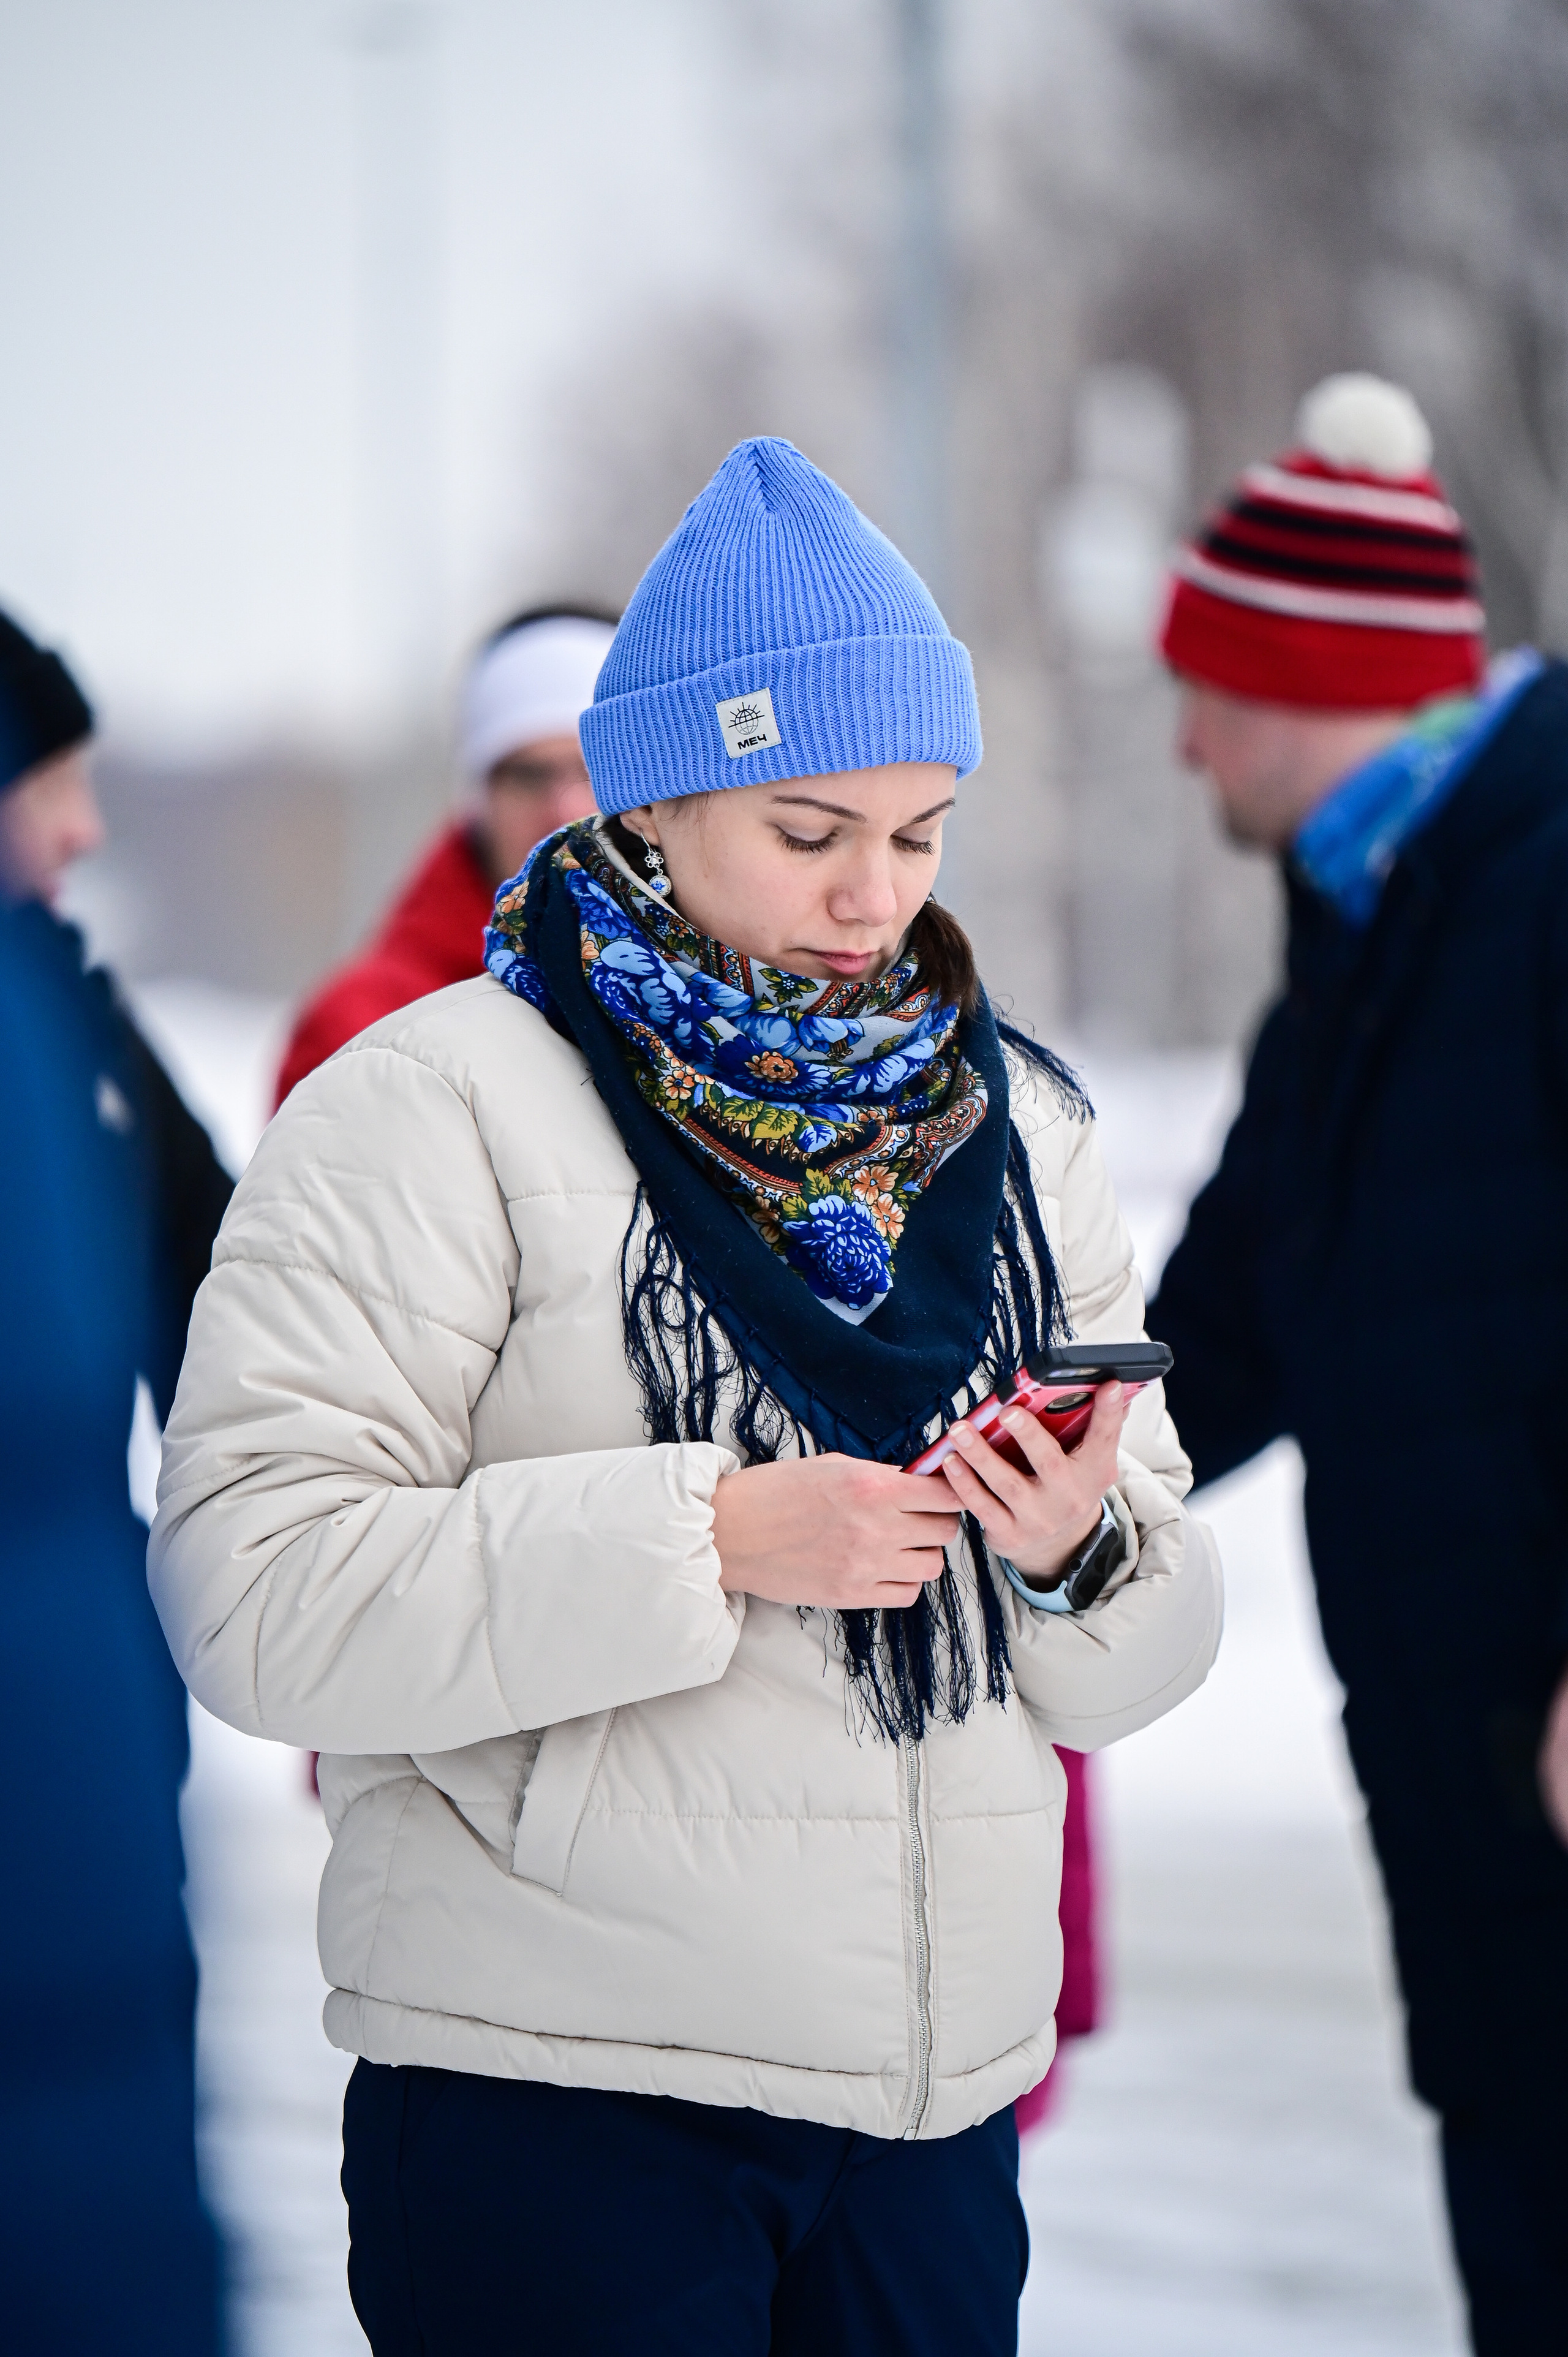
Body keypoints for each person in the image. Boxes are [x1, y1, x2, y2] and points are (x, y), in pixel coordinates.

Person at [149, 439, 1222, 2357]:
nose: (868, 897)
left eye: (917, 835)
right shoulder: (431, 1104)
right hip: (561, 2110)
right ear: (654, 796)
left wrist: (1075, 1547)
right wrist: (710, 1533)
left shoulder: (1015, 1125)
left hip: (922, 2123)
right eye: (809, 833)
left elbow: (1139, 1649)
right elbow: (254, 1584)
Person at [1147, 374, 1568, 2356]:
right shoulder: (1359, 941)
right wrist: (981, 1478)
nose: (1180, 738)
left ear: (1301, 677)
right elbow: (1221, 1330)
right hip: (1475, 1810)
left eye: (1204, 690)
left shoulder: (1550, 880)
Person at [0, 606, 228, 2353]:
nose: (79, 824)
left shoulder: (68, 1029)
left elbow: (234, 1307)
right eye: (43, 776)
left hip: (83, 1836)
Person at [274, 604, 616, 1105]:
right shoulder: (362, 1028)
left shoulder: (730, 996)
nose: (563, 809)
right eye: (527, 775)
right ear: (478, 798)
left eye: (594, 770)